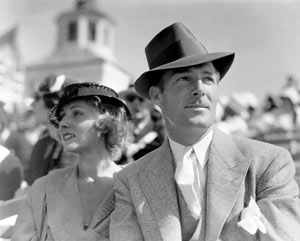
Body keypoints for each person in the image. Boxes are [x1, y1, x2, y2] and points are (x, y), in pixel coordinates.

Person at [109, 22, 300, 241]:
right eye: (184, 79)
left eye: (208, 79)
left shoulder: (268, 163)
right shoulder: (131, 180)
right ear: (156, 96)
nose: (199, 89)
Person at [12, 82, 132, 240]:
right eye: (61, 116)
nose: (63, 123)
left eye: (77, 113)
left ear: (107, 122)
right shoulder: (43, 188)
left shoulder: (134, 188)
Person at [26, 74, 80, 185]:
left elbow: (65, 192)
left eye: (37, 98)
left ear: (53, 102)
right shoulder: (46, 137)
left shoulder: (74, 144)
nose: (32, 104)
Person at [118, 86, 165, 164]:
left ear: (151, 105)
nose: (136, 102)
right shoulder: (120, 128)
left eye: (141, 99)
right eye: (131, 98)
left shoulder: (158, 136)